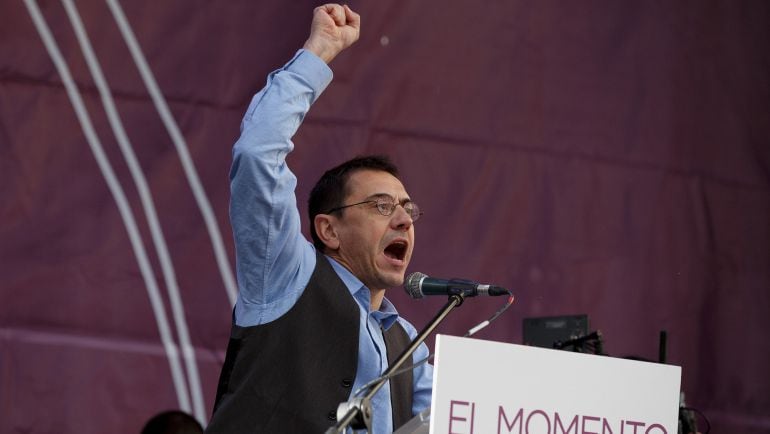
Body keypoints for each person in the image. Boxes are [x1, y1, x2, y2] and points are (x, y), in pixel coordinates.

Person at [205, 4, 433, 433]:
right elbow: (257, 155)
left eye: (408, 209)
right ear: (328, 229)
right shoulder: (288, 276)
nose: (404, 220)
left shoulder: (409, 344)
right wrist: (318, 52)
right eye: (383, 206)